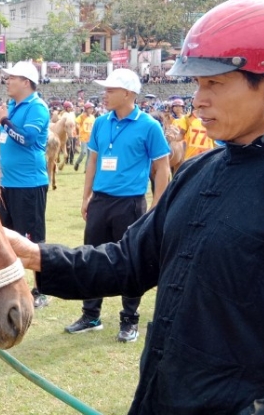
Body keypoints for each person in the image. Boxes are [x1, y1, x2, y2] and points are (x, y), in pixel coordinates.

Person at [9, 0, 264, 413]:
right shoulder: (197, 172)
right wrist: (35, 256)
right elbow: (128, 261)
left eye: (214, 83)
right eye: (197, 84)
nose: (198, 100)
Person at [68, 68, 171, 342]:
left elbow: (163, 168)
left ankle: (129, 319)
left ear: (128, 94)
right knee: (91, 256)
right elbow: (93, 161)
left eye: (110, 90)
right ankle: (91, 315)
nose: (105, 94)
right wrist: (86, 195)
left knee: (131, 260)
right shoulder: (101, 123)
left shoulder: (149, 126)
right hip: (101, 200)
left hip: (130, 204)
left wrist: (157, 206)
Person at [0, 61, 50, 309]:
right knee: (2, 235)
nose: (7, 81)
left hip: (29, 185)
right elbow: (5, 140)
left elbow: (26, 139)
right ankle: (6, 286)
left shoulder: (37, 108)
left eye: (11, 77)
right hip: (5, 184)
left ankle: (41, 291)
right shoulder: (12, 106)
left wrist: (4, 121)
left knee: (32, 238)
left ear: (26, 82)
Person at [72, 102, 95, 170]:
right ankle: (77, 162)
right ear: (86, 109)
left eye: (92, 109)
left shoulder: (92, 117)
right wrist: (78, 130)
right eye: (90, 109)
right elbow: (76, 123)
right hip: (83, 137)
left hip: (90, 138)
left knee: (89, 154)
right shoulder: (82, 116)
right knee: (83, 152)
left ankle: (86, 169)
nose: (91, 110)